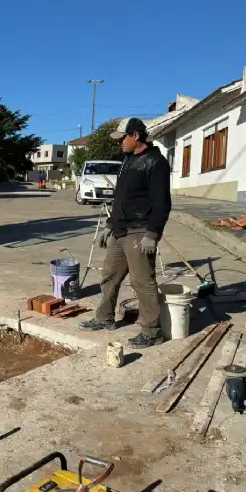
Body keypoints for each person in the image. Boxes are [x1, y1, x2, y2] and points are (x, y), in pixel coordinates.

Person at [79, 117, 171, 348]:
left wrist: (153, 233)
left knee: (142, 281)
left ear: (135, 136)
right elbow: (121, 199)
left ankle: (152, 331)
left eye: (122, 138)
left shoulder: (155, 163)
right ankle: (104, 318)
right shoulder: (128, 161)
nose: (119, 143)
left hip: (140, 230)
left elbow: (162, 203)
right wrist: (109, 225)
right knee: (109, 275)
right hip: (121, 230)